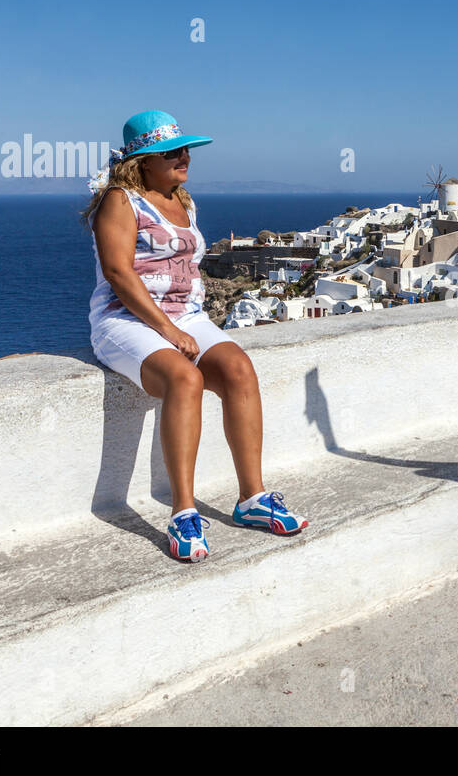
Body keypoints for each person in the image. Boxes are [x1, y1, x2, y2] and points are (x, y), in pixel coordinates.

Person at [81, 110, 309, 563]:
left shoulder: (182, 200)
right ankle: (183, 512)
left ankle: (252, 499)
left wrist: (181, 322)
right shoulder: (120, 201)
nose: (185, 157)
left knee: (239, 369)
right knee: (184, 379)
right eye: (172, 152)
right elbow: (117, 273)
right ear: (143, 160)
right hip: (124, 319)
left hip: (187, 315)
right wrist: (164, 330)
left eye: (186, 149)